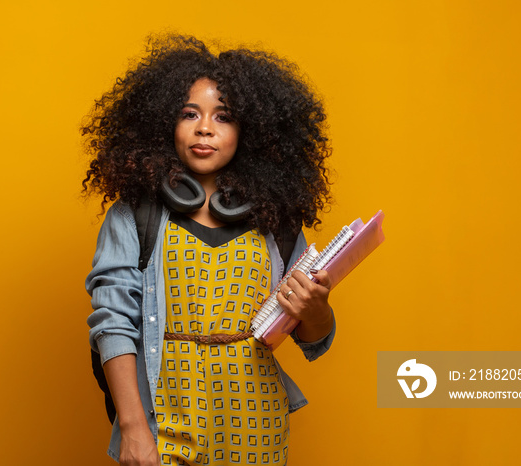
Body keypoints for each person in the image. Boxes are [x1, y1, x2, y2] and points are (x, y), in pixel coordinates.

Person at [82, 34, 336, 466]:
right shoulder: (134, 216)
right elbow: (113, 323)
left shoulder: (278, 222)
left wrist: (316, 309)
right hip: (162, 419)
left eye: (224, 116)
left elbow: (313, 339)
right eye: (189, 114)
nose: (205, 128)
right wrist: (132, 428)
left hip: (256, 425)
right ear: (164, 123)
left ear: (249, 131)